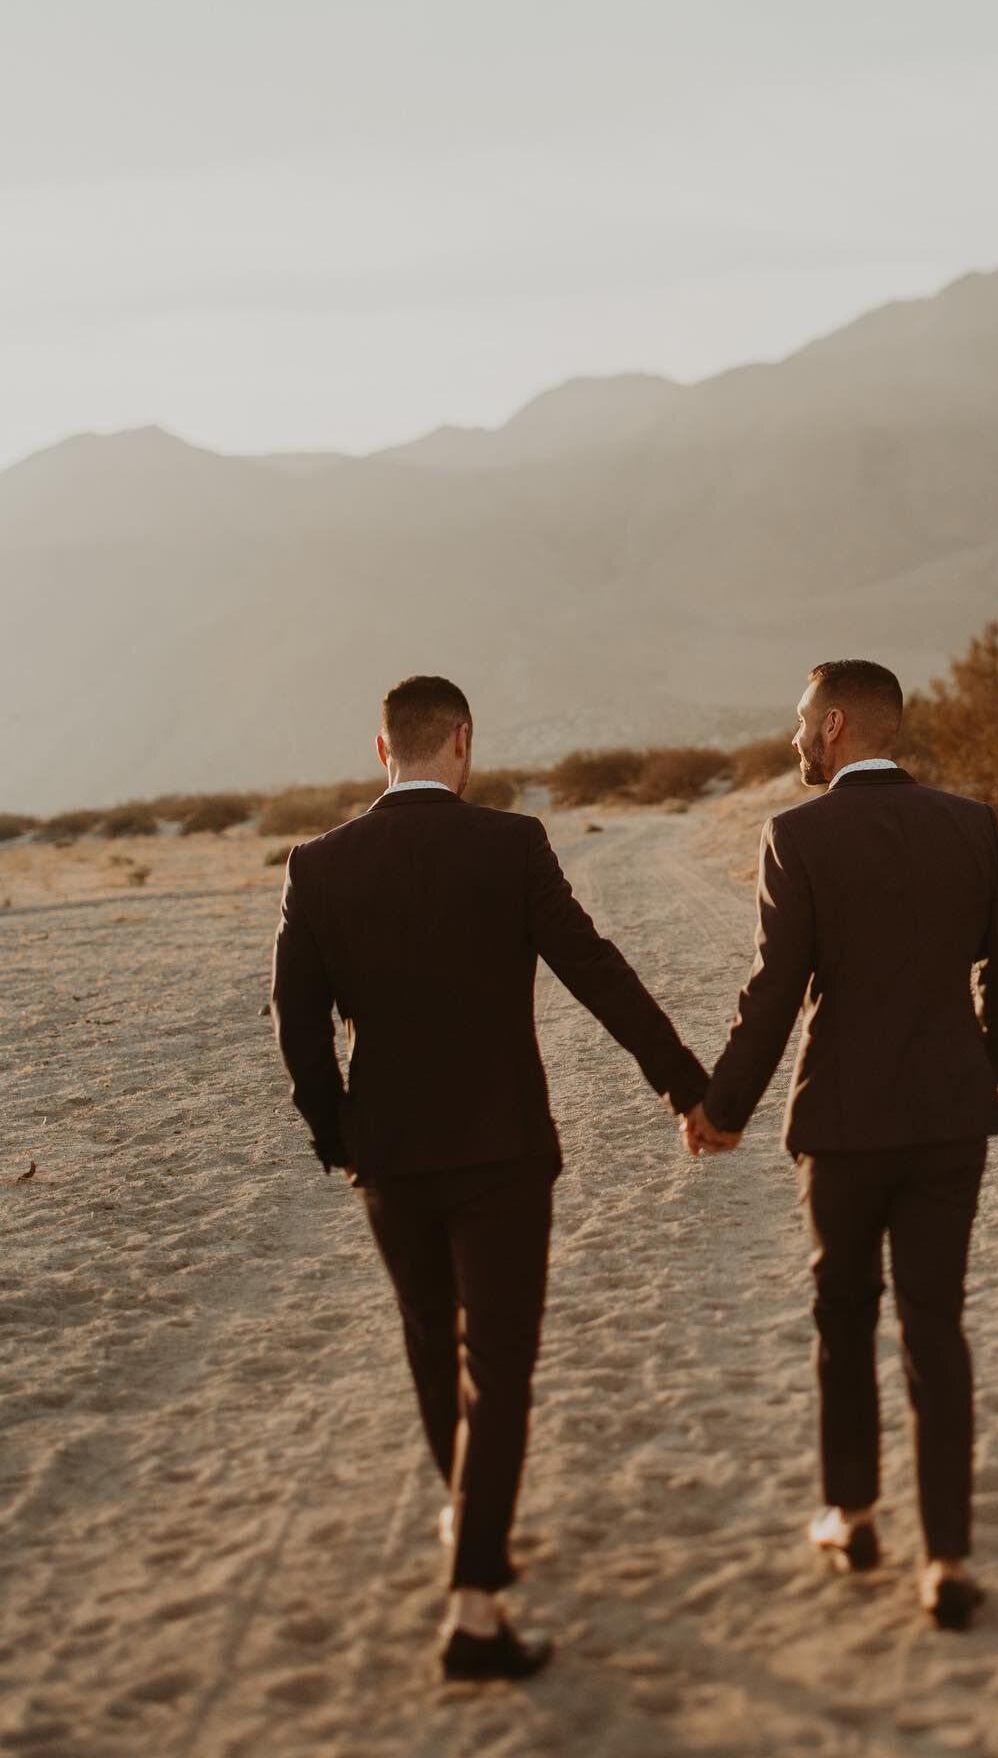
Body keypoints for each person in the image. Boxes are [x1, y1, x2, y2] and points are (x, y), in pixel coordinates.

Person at [270, 674, 707, 1681]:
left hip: (389, 1151)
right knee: (498, 1365)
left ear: (383, 752)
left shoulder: (319, 865)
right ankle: (474, 1602)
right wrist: (685, 1087)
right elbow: (595, 971)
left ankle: (471, 1527)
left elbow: (295, 1019)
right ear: (461, 743)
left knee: (434, 1343)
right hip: (503, 1151)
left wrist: (334, 1130)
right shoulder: (511, 847)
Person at [684, 658, 998, 1628]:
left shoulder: (797, 834)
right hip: (951, 1119)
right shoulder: (972, 824)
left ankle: (853, 1512)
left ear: (835, 725)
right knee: (935, 1325)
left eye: (801, 719)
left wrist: (725, 1106)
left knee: (843, 1315)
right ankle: (949, 1562)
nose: (794, 735)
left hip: (842, 1125)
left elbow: (776, 990)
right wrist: (983, 1062)